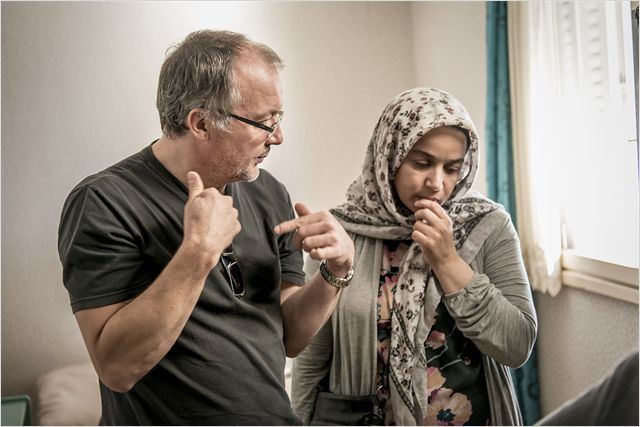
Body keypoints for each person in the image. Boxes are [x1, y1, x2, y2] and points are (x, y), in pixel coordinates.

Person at [57, 30, 355, 425]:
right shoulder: (104, 201)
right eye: (265, 121)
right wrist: (197, 252)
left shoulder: (269, 192)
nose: (278, 137)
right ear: (200, 123)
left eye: (279, 117)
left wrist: (335, 274)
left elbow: (289, 338)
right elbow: (116, 368)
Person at [291, 87, 538, 426]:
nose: (437, 183)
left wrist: (448, 259)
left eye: (452, 168)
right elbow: (311, 355)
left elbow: (518, 344)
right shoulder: (344, 231)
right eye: (422, 163)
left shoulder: (487, 227)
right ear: (389, 157)